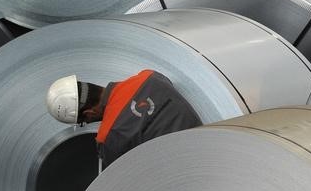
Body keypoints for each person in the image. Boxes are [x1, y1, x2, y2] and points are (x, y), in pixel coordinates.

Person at [46, 70, 203, 171]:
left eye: (84, 121)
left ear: (89, 112)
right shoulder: (148, 76)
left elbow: (123, 185)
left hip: (187, 177)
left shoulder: (107, 138)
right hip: (210, 144)